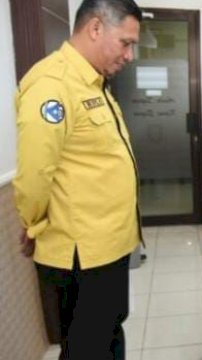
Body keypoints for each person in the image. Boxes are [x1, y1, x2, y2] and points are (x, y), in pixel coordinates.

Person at [13, 0, 142, 359]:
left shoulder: (94, 83)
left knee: (108, 335)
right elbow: (35, 173)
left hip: (108, 246)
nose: (129, 55)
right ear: (96, 28)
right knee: (87, 347)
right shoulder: (52, 84)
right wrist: (34, 225)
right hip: (81, 255)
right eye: (126, 43)